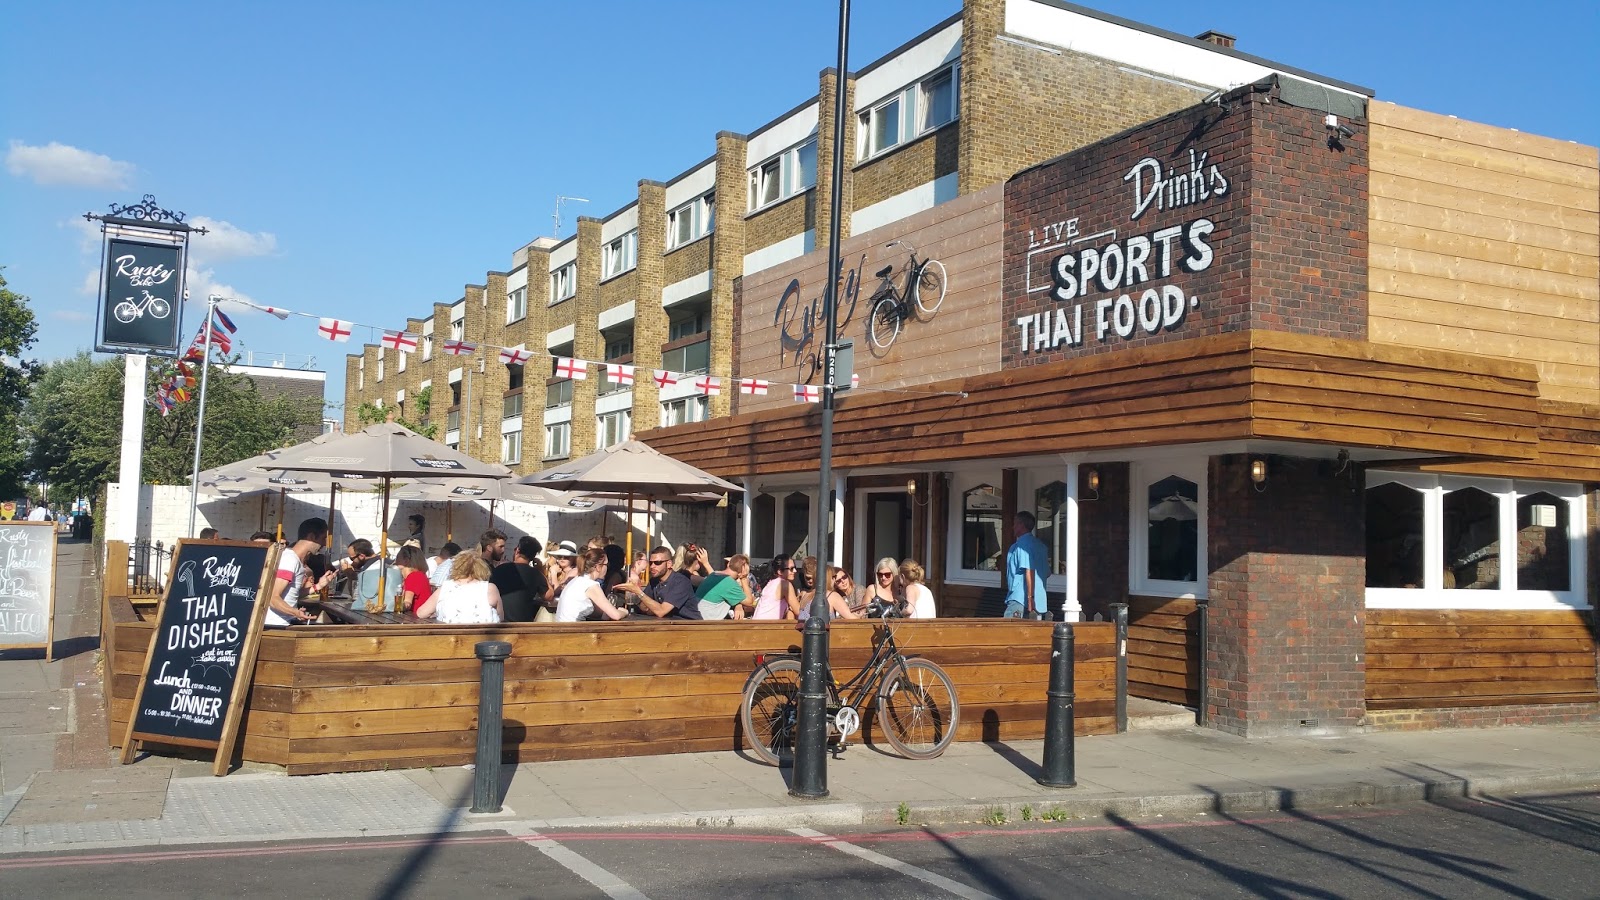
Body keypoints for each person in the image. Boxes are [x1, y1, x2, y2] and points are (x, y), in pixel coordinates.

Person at [265, 517, 336, 627]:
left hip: (282, 623)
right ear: (311, 537)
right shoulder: (290, 560)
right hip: (275, 625)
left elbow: (292, 593)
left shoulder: (294, 560)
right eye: (323, 538)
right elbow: (272, 598)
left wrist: (318, 586)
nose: (324, 544)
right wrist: (295, 612)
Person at [615, 545, 702, 620]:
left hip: (690, 626)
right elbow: (644, 607)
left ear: (669, 564)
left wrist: (638, 592)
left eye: (657, 563)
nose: (652, 566)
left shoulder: (681, 582)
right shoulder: (654, 581)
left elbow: (661, 611)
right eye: (651, 563)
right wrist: (633, 595)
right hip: (668, 624)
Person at [416, 550, 502, 624]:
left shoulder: (445, 588)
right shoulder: (489, 588)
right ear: (482, 568)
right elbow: (501, 618)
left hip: (449, 641)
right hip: (483, 641)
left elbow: (421, 613)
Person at [554, 546, 627, 622]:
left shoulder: (578, 580)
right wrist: (624, 612)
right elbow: (616, 615)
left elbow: (599, 613)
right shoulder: (590, 585)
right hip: (573, 631)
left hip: (564, 628)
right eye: (606, 565)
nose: (607, 568)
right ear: (598, 567)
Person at [490, 534, 549, 622]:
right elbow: (549, 596)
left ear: (517, 550)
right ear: (533, 557)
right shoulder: (535, 573)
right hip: (523, 624)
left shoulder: (499, 569)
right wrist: (541, 570)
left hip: (500, 622)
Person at [1005, 511, 1049, 620]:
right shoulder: (1041, 546)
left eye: (1015, 524)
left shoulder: (1022, 546)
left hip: (1021, 600)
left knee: (1008, 634)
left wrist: (1030, 598)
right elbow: (1047, 573)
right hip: (1040, 602)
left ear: (1021, 525)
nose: (1013, 527)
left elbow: (1029, 570)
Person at [694, 554, 755, 620]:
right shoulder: (729, 583)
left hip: (697, 618)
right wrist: (744, 578)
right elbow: (749, 602)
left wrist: (738, 605)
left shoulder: (714, 575)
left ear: (728, 564)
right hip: (706, 624)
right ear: (741, 572)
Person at [753, 554, 799, 620]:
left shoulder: (771, 583)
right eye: (791, 569)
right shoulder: (785, 585)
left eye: (795, 568)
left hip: (758, 626)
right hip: (767, 627)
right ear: (780, 571)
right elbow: (798, 611)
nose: (795, 571)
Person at [395, 544, 432, 613]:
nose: (396, 559)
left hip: (416, 619)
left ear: (406, 560)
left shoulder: (413, 577)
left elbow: (407, 603)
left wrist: (394, 604)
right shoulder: (420, 575)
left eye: (398, 556)